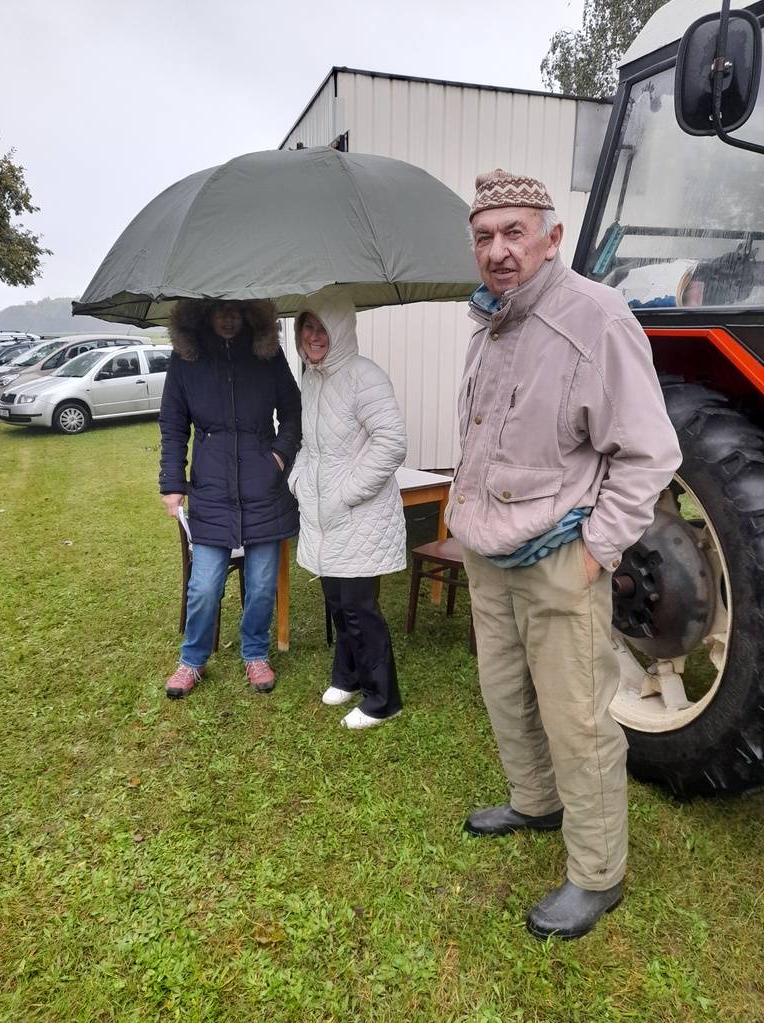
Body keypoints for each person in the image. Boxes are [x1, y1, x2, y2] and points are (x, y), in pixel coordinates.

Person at [447, 170, 682, 939]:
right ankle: (535, 801)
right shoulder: (491, 320)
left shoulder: (596, 317)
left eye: (514, 232)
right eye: (485, 237)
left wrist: (594, 551)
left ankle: (597, 874)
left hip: (558, 558)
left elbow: (649, 452)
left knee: (578, 718)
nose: (498, 250)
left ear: (551, 239)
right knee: (505, 693)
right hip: (488, 552)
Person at [159, 298, 301, 698]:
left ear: (249, 313)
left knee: (261, 584)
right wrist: (172, 483)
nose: (227, 318)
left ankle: (255, 653)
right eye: (219, 310)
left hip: (263, 489)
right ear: (204, 313)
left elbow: (293, 411)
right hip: (211, 491)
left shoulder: (267, 355)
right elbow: (173, 424)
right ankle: (192, 659)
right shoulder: (186, 359)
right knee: (204, 586)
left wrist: (278, 457)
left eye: (235, 311)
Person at [289, 288, 407, 730]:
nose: (314, 337)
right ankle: (349, 676)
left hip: (360, 515)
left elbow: (391, 442)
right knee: (337, 601)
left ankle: (383, 699)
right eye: (307, 327)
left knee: (359, 608)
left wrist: (345, 493)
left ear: (340, 330)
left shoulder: (364, 376)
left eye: (323, 328)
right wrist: (300, 481)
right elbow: (310, 445)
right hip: (324, 516)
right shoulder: (311, 378)